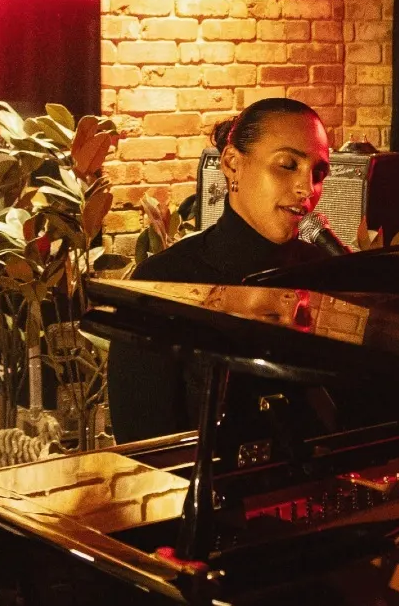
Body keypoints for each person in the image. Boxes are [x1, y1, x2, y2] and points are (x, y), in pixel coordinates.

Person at [108, 97, 339, 440]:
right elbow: (144, 446)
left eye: (318, 173)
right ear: (232, 163)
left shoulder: (327, 275)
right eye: (288, 165)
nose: (308, 188)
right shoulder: (162, 281)